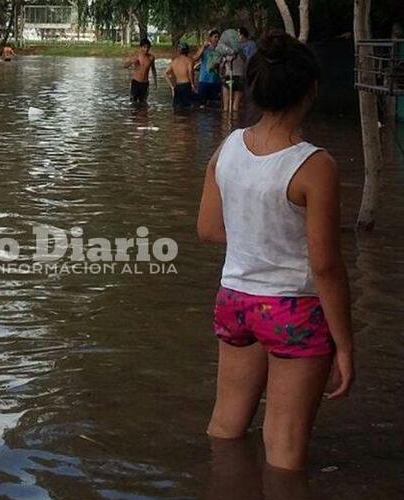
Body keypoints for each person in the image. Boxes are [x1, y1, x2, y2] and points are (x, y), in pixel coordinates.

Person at [197, 30, 354, 471]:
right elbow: (325, 265)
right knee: (283, 447)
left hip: (234, 302)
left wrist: (257, 235)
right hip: (294, 310)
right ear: (313, 90)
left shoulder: (227, 148)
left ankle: (219, 486)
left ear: (255, 88)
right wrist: (345, 344)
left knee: (225, 425)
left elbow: (209, 230)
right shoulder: (313, 164)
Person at [124, 38, 157, 105]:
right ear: (141, 47)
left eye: (148, 47)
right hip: (136, 82)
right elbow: (125, 66)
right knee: (133, 102)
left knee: (143, 103)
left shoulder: (151, 57)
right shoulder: (137, 55)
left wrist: (155, 82)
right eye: (144, 47)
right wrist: (131, 62)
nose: (146, 49)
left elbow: (153, 69)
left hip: (145, 84)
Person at [193, 30, 222, 105]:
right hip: (204, 81)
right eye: (215, 37)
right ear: (210, 38)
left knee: (215, 104)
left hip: (215, 81)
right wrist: (203, 46)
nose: (217, 39)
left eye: (218, 37)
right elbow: (195, 58)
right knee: (202, 104)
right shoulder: (205, 49)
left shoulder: (220, 51)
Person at [165, 41, 195, 109]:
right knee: (188, 109)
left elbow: (165, 73)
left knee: (177, 109)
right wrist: (193, 85)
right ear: (187, 50)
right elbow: (190, 72)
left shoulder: (174, 61)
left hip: (177, 86)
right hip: (186, 85)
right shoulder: (189, 60)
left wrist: (172, 87)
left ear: (179, 51)